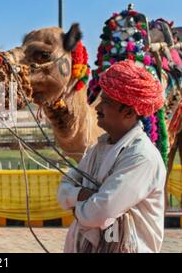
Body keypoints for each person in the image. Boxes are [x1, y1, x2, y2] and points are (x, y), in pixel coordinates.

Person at [58, 60, 166, 253]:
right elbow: (63, 189)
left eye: (106, 102)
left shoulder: (141, 157)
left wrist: (76, 206)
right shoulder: (97, 149)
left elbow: (100, 213)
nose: (97, 108)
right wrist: (82, 195)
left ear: (129, 112)